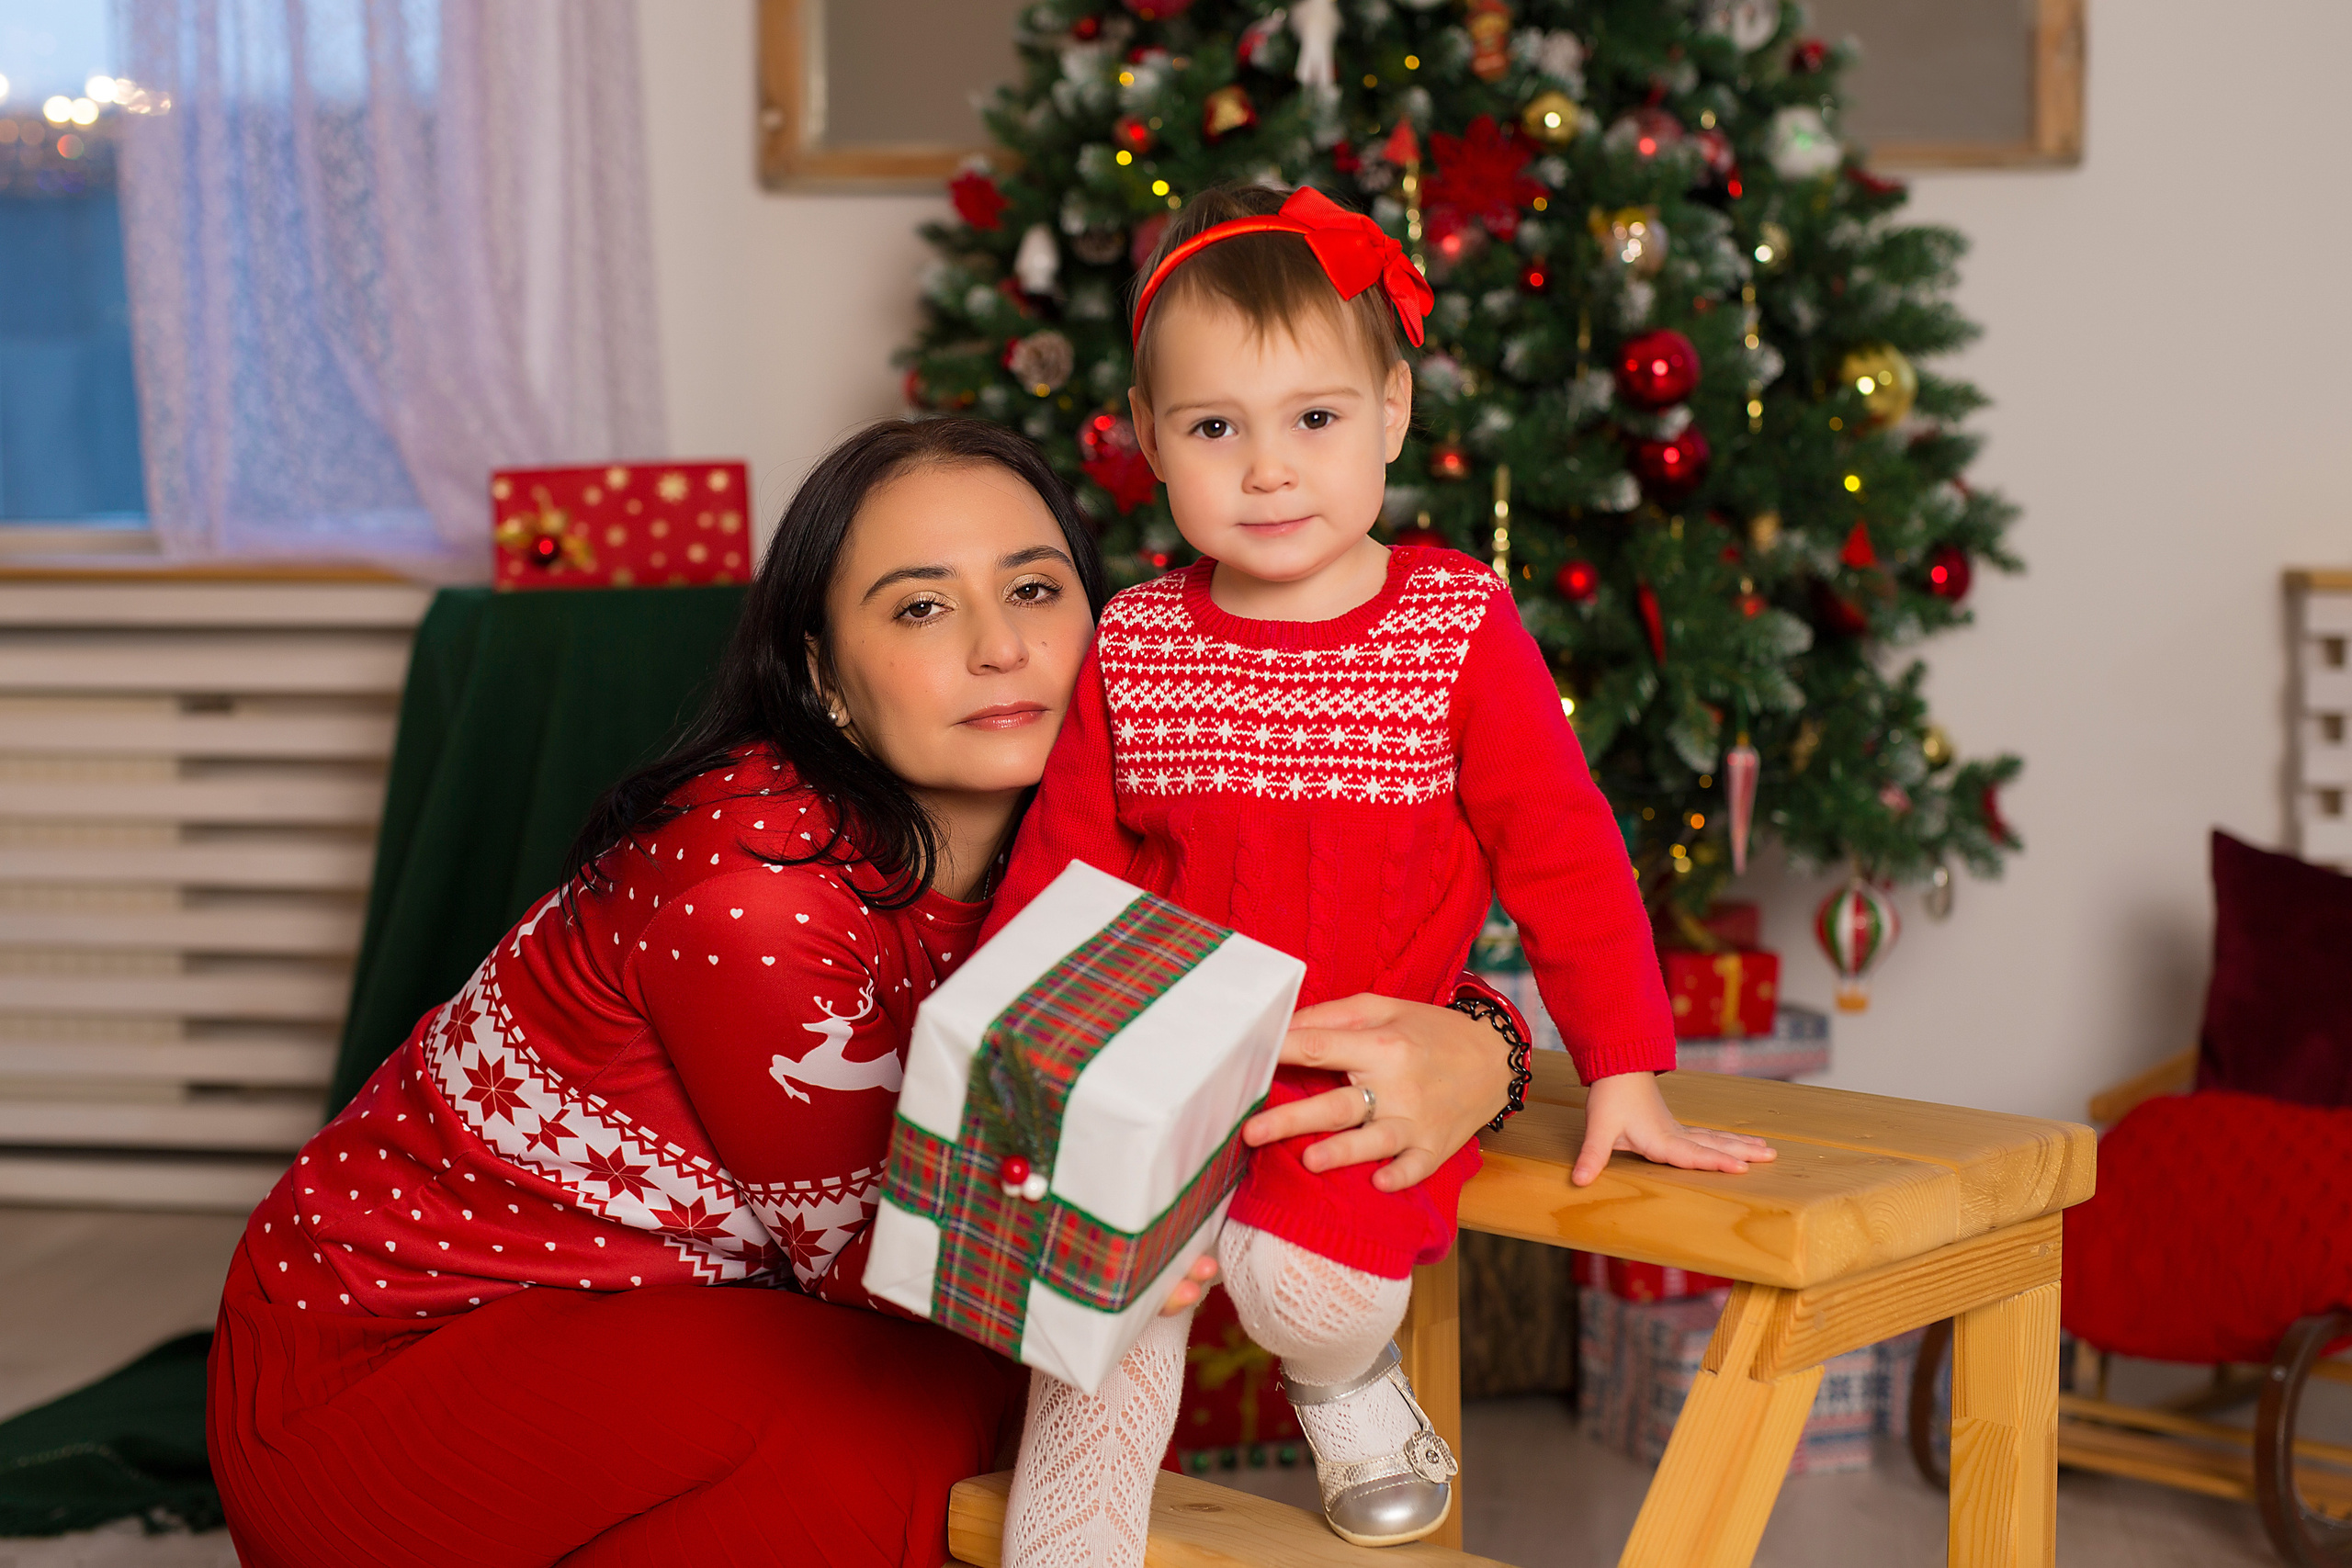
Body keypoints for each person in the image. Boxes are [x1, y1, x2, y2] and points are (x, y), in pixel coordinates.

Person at [207, 416, 1529, 1568]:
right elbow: (948, 1270)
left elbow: (1343, 956)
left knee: (1021, 1403)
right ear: (823, 677)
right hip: (393, 1364)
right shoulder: (751, 894)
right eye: (920, 608)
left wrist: (1483, 1047)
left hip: (691, 1327)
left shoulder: (1116, 810)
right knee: (950, 1403)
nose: (1001, 648)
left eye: (1035, 589)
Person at [983, 186, 1779, 1562]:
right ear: (1149, 439)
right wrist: (1025, 1067)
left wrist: (1626, 1068)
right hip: (1164, 1050)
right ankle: (1076, 1514)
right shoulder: (1137, 637)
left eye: (1315, 418)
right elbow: (1067, 874)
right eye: (1215, 428)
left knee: (1299, 1285)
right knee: (1097, 1299)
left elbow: (1564, 849)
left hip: (1355, 1063)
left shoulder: (1452, 621)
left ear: (1393, 414)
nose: (1268, 471)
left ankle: (1346, 1378)